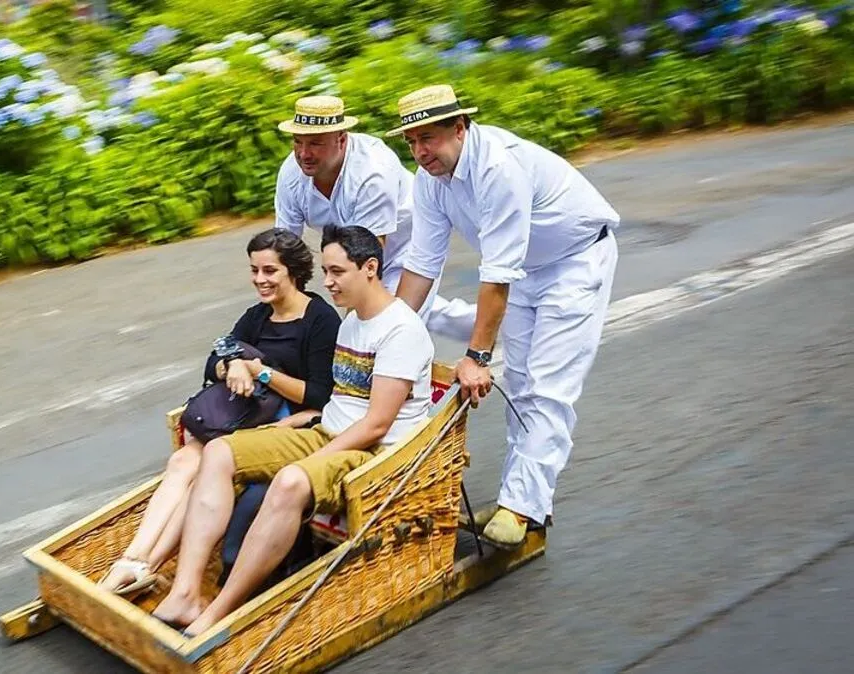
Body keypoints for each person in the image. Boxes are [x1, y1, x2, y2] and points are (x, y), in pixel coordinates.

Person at [152, 225, 435, 636]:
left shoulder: (401, 330)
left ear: (370, 268)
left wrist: (316, 456)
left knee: (289, 481)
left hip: (376, 455)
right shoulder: (354, 321)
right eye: (326, 270)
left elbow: (376, 423)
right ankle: (186, 593)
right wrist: (308, 418)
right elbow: (339, 396)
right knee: (219, 452)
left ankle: (219, 613)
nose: (328, 282)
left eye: (337, 272)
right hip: (327, 431)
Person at [385, 84, 621, 548]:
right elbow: (421, 265)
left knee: (549, 386)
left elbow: (496, 277)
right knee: (522, 384)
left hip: (575, 262)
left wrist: (476, 356)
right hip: (529, 269)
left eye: (427, 138)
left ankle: (521, 506)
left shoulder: (497, 167)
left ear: (459, 127)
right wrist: (387, 327)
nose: (419, 151)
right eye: (410, 142)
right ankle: (523, 499)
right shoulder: (429, 179)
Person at [97, 228, 342, 596]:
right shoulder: (257, 317)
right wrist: (234, 367)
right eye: (254, 270)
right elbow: (214, 360)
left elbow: (321, 395)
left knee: (202, 474)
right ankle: (133, 561)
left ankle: (147, 565)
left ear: (293, 271)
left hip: (286, 424)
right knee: (182, 463)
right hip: (243, 416)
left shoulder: (319, 320)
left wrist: (258, 370)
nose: (260, 279)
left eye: (269, 271)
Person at [272, 93, 478, 341]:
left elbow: (366, 263)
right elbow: (285, 251)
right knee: (412, 310)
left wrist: (344, 342)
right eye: (298, 142)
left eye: (315, 143)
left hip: (407, 243)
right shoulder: (291, 172)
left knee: (385, 330)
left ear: (341, 139)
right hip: (350, 248)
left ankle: (487, 332)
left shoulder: (373, 171)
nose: (304, 154)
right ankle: (491, 324)